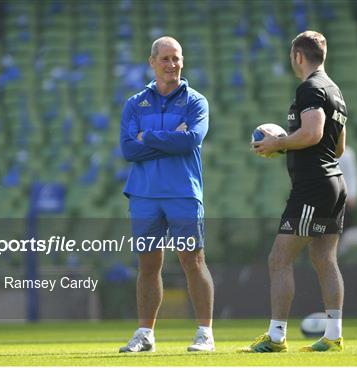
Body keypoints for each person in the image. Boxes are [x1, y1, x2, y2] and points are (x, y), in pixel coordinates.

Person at [241, 31, 348, 353]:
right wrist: (291, 143)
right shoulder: (335, 91)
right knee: (324, 258)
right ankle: (333, 335)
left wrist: (279, 143)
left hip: (312, 187)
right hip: (334, 182)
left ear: (298, 56)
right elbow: (338, 147)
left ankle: (276, 337)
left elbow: (313, 133)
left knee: (279, 258)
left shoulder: (310, 88)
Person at [119, 36, 215, 353]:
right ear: (152, 62)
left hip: (183, 193)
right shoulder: (135, 103)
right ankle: (145, 334)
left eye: (177, 58)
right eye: (165, 59)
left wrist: (149, 137)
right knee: (148, 265)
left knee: (192, 260)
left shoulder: (196, 102)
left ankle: (205, 334)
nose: (172, 64)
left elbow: (190, 142)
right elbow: (129, 149)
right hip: (144, 195)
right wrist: (170, 137)